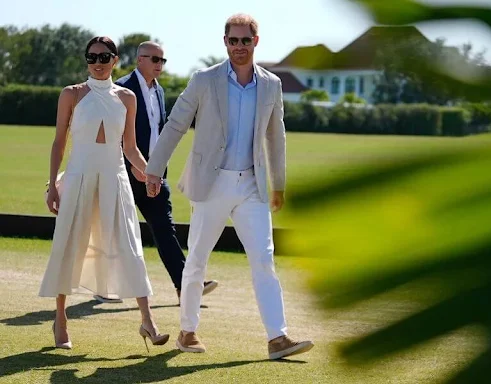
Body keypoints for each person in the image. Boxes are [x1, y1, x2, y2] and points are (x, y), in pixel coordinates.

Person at [145, 13, 313, 359]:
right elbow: (176, 124)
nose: (239, 46)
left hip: (252, 185)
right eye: (233, 40)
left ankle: (277, 338)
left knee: (264, 260)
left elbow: (275, 137)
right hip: (212, 183)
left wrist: (278, 185)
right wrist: (154, 170)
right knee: (197, 260)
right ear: (225, 42)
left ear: (256, 41)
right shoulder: (204, 80)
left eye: (245, 40)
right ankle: (188, 331)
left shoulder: (271, 84)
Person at [39, 36, 169, 351]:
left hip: (115, 178)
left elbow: (130, 147)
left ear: (115, 60)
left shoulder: (126, 98)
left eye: (104, 57)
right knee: (69, 244)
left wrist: (150, 174)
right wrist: (51, 185)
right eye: (92, 57)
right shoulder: (71, 94)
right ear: (86, 60)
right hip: (79, 177)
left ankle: (147, 321)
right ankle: (60, 318)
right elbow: (59, 142)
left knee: (130, 245)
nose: (98, 63)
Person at [92, 41, 218, 305]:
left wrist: (154, 170)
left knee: (164, 226)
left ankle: (184, 286)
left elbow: (159, 132)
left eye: (163, 60)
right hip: (123, 171)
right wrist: (135, 168)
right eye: (155, 59)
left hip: (153, 173)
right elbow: (113, 135)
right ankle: (104, 287)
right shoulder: (122, 88)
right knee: (116, 229)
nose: (159, 65)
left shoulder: (159, 91)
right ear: (139, 60)